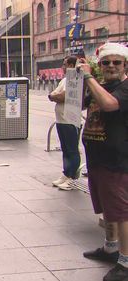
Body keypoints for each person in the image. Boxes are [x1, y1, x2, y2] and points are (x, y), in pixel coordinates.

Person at [77, 42, 128, 281]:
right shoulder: (101, 86)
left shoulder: (124, 88)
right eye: (106, 62)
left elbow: (109, 105)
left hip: (116, 162)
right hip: (96, 160)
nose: (111, 66)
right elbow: (73, 103)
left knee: (121, 212)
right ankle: (110, 247)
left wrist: (88, 77)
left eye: (116, 62)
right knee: (107, 209)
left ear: (124, 65)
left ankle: (125, 263)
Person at [48, 56, 80, 191]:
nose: (63, 67)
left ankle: (72, 177)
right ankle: (66, 174)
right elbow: (54, 94)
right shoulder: (64, 80)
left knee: (72, 149)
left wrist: (55, 96)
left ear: (72, 65)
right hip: (60, 120)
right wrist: (54, 96)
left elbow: (62, 96)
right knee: (65, 149)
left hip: (71, 120)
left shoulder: (76, 79)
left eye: (65, 64)